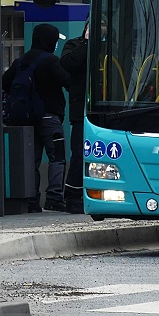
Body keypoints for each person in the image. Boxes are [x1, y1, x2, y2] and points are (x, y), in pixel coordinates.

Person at [2, 23, 71, 213]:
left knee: (32, 159)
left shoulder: (20, 61)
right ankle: (54, 197)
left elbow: (5, 83)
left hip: (27, 120)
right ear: (49, 40)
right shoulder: (51, 61)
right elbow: (68, 82)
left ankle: (31, 201)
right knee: (57, 158)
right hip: (49, 117)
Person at [60, 19, 92, 214]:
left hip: (107, 109)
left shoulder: (111, 46)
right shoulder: (74, 45)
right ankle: (72, 196)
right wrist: (87, 42)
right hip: (81, 111)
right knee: (79, 153)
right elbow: (69, 64)